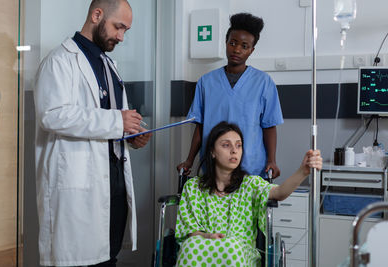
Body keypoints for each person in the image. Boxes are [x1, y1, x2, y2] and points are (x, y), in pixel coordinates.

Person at [34, 0, 151, 266]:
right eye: (118, 27)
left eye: (125, 31)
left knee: (108, 257)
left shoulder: (109, 66)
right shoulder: (59, 61)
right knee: (78, 259)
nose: (121, 37)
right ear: (96, 15)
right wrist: (116, 121)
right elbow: (51, 115)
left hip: (113, 183)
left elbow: (112, 124)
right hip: (77, 185)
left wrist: (131, 136)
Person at [175, 121, 322, 266]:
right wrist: (207, 236)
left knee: (230, 247)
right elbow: (190, 232)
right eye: (226, 145)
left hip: (239, 252)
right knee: (190, 246)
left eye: (238, 145)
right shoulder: (193, 187)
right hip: (203, 249)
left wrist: (303, 171)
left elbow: (279, 193)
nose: (234, 150)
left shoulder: (250, 184)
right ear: (212, 151)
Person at [177, 13, 284, 179]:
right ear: (226, 43)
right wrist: (189, 160)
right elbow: (200, 126)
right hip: (215, 168)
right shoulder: (206, 82)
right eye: (232, 43)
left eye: (244, 46)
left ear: (251, 50)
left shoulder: (263, 82)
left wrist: (272, 160)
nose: (237, 50)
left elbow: (269, 125)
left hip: (251, 167)